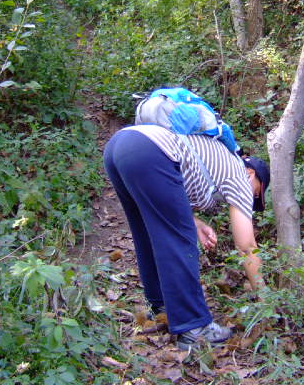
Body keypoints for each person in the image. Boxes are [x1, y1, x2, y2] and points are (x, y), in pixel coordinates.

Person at [103, 123, 270, 350]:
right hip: (151, 150)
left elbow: (170, 196)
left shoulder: (218, 161)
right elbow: (247, 247)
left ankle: (162, 307)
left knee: (146, 234)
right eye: (257, 193)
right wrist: (266, 300)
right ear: (251, 174)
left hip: (120, 145)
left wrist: (196, 223)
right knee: (180, 241)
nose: (252, 199)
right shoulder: (240, 177)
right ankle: (193, 326)